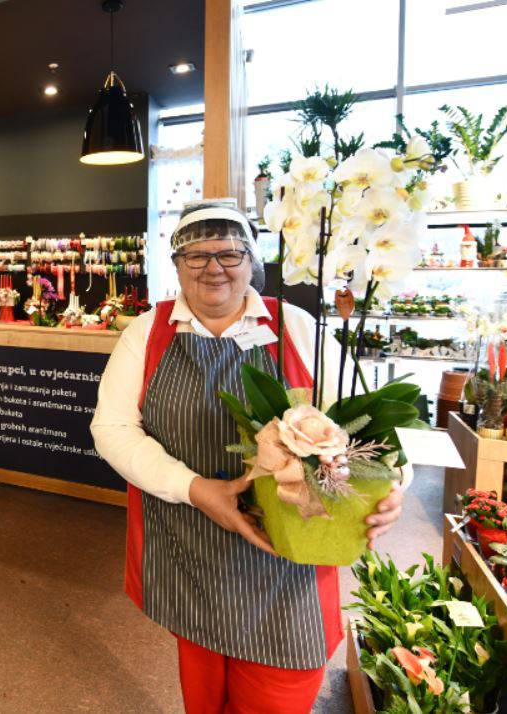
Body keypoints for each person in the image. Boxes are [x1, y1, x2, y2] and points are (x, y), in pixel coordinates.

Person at [90, 201, 406, 714]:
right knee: (204, 702)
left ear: (251, 259)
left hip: (288, 570)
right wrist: (194, 487)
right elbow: (112, 428)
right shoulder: (147, 333)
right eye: (196, 254)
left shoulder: (298, 328)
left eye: (230, 252)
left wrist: (392, 489)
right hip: (189, 561)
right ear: (176, 264)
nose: (214, 267)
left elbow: (379, 432)